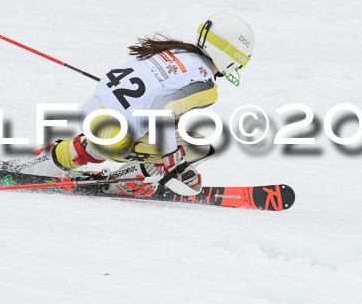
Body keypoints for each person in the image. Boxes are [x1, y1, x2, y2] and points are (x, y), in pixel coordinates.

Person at [16, 13, 255, 196]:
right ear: (231, 57)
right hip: (112, 137)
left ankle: (43, 162)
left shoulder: (175, 51)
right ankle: (133, 180)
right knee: (199, 146)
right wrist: (172, 161)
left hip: (93, 111)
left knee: (171, 131)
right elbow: (165, 110)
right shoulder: (207, 87)